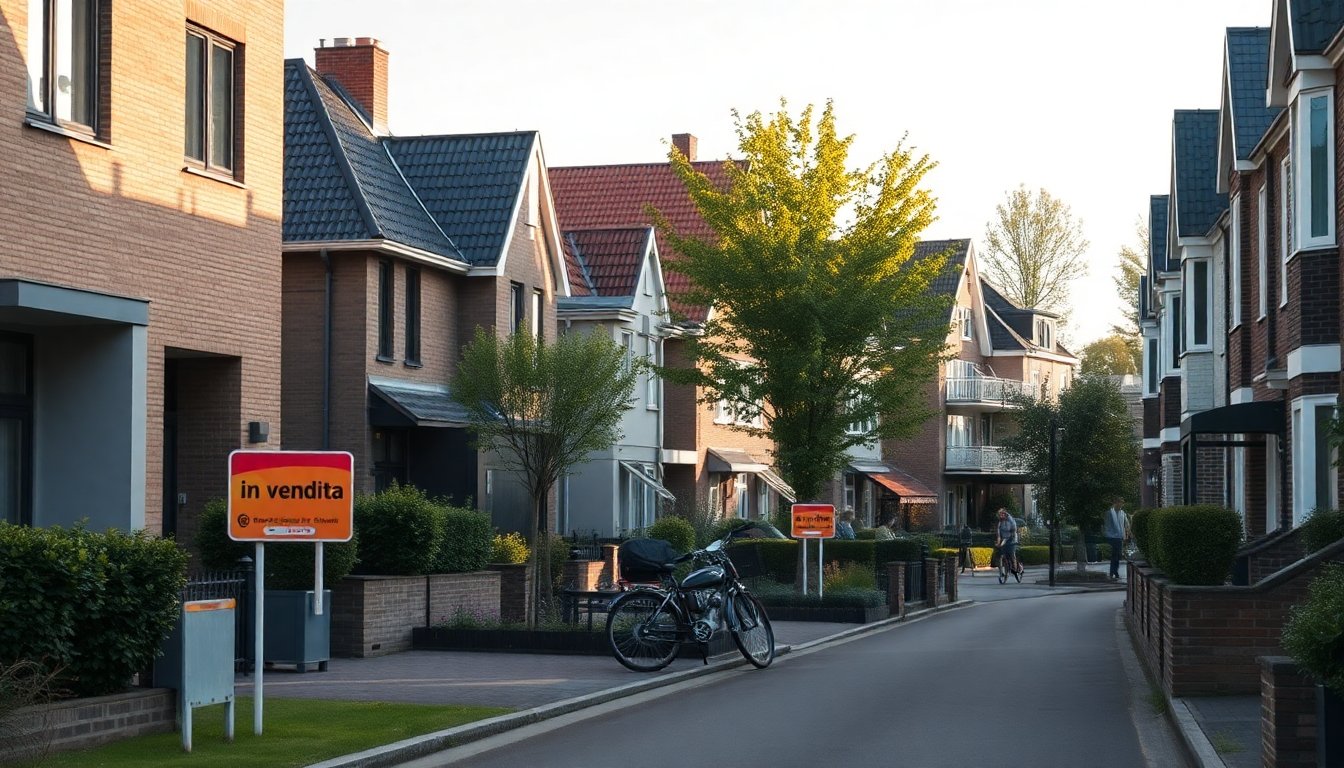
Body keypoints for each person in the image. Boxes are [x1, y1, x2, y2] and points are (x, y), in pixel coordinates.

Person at [1103, 496, 1130, 581]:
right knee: (1115, 555)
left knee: (1117, 555)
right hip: (1111, 536)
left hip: (1119, 537)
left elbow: (1126, 524)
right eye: (1119, 502)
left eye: (1122, 503)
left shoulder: (1122, 513)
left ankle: (1114, 572)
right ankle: (1113, 572)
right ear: (1115, 503)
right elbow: (1106, 525)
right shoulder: (1109, 513)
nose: (1120, 504)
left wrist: (1127, 534)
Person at [995, 507, 1019, 576]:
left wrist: (1011, 538)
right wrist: (998, 543)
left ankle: (1015, 569)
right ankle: (1001, 572)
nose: (1001, 516)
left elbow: (1014, 530)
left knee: (1012, 555)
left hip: (1012, 538)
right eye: (999, 515)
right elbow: (999, 535)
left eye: (1002, 514)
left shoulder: (1010, 520)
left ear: (1005, 514)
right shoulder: (999, 523)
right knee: (1000, 555)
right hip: (1004, 539)